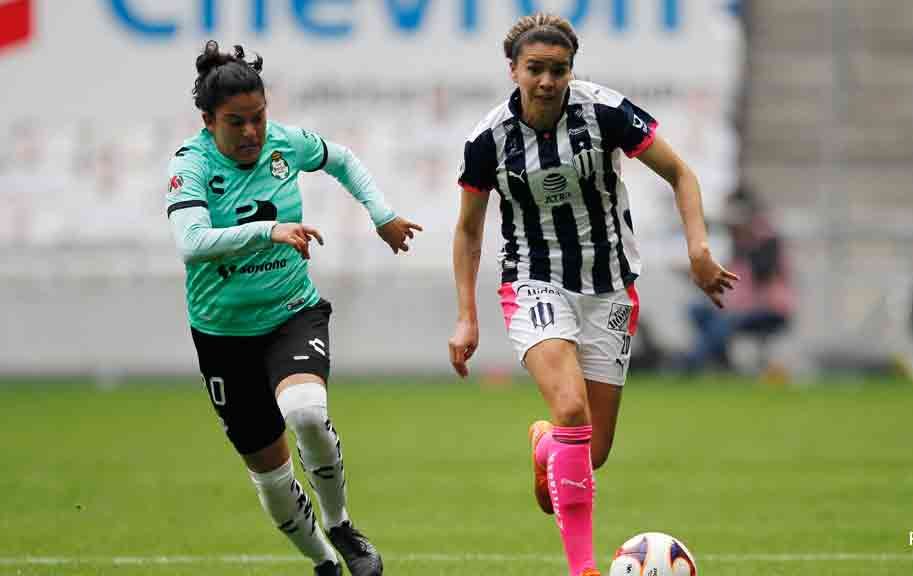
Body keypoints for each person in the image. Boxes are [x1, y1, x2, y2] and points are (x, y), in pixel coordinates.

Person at [447, 14, 737, 576]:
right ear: (514, 71)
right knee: (573, 412)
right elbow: (467, 230)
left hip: (609, 289)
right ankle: (583, 568)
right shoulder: (488, 141)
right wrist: (466, 317)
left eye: (559, 69)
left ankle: (544, 445)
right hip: (534, 281)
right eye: (536, 69)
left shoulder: (604, 112)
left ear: (571, 71)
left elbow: (680, 173)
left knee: (591, 451)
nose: (548, 81)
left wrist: (698, 247)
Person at [165, 41, 421, 576]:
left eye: (258, 117)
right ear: (208, 121)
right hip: (222, 335)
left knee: (306, 412)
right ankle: (324, 562)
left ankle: (342, 527)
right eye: (236, 123)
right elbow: (190, 240)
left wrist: (382, 215)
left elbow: (343, 159)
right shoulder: (190, 165)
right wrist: (270, 230)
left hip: (291, 312)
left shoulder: (287, 144)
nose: (252, 132)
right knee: (271, 474)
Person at [678, 185, 793, 372]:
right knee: (698, 311)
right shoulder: (737, 241)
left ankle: (692, 363)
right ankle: (723, 365)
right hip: (739, 307)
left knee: (722, 323)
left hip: (768, 307)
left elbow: (761, 273)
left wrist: (746, 240)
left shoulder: (765, 239)